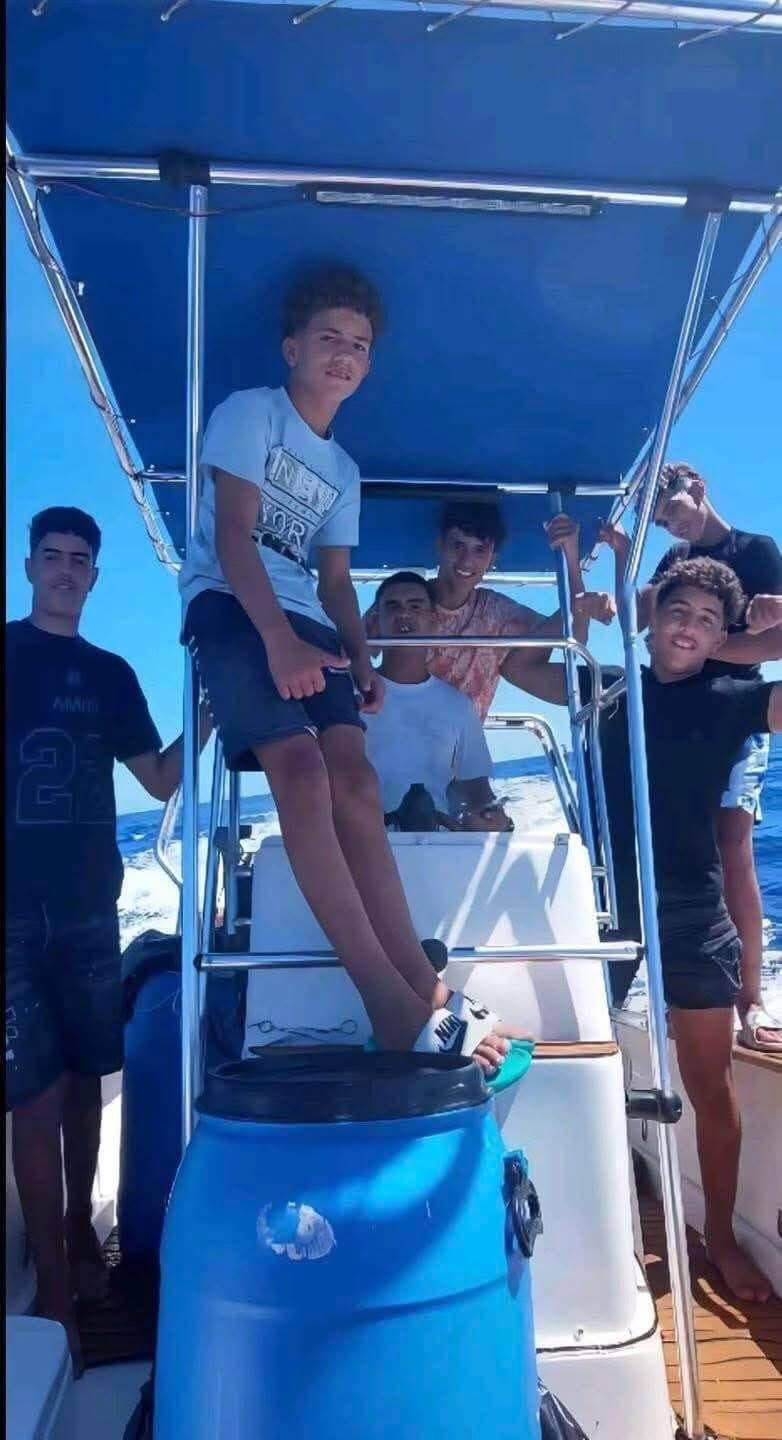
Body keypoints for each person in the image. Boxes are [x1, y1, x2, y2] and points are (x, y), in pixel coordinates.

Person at [178, 265, 517, 1084]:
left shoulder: (346, 471)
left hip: (311, 620)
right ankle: (388, 1005)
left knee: (356, 782)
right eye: (329, 337)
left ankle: (424, 985)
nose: (344, 354)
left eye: (359, 345)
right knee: (300, 773)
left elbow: (334, 582)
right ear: (292, 347)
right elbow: (232, 538)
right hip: (231, 605)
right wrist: (277, 642)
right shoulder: (250, 414)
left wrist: (362, 659)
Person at [6, 507, 211, 1371]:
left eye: (79, 560)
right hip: (10, 914)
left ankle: (80, 1235)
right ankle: (55, 1287)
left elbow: (158, 779)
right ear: (29, 566)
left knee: (90, 1077)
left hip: (92, 904)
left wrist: (207, 708)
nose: (65, 570)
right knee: (32, 1094)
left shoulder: (112, 674)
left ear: (94, 575)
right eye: (52, 556)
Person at [574, 552, 781, 1303]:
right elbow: (523, 664)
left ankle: (719, 1237)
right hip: (604, 910)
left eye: (707, 620)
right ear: (651, 617)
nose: (688, 628)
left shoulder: (732, 698)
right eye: (677, 611)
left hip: (694, 910)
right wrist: (577, 606)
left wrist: (778, 624)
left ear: (724, 637)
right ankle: (593, 1218)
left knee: (709, 1083)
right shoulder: (603, 692)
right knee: (582, 1067)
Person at [632, 462, 782, 1051]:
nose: (671, 524)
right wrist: (609, 562)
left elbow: (775, 642)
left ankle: (751, 995)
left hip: (738, 714)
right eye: (660, 520)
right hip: (679, 720)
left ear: (696, 487)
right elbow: (640, 616)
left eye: (672, 509)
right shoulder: (674, 562)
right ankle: (686, 988)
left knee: (732, 843)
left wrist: (707, 645)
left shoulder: (756, 550)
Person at [364, 499, 616, 723]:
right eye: (458, 545)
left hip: (460, 749)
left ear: (492, 558)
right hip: (394, 734)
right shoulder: (404, 602)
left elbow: (574, 639)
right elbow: (355, 655)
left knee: (525, 666)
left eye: (479, 550)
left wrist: (571, 557)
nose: (466, 560)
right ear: (440, 545)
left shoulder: (498, 613)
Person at [363, 571, 512, 831]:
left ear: (433, 622)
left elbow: (476, 788)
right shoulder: (351, 696)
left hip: (438, 840)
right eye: (393, 606)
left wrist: (492, 816)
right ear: (376, 623)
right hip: (361, 837)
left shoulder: (458, 706)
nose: (404, 614)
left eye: (415, 606)